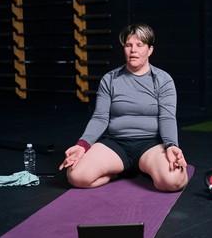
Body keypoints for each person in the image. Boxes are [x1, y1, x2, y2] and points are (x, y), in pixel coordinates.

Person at [59, 23, 188, 192]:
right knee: (76, 176)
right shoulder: (110, 79)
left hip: (150, 146)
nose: (133, 50)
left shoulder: (163, 80)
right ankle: (118, 172)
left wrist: (172, 145)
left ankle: (150, 167)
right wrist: (83, 145)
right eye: (128, 45)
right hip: (115, 144)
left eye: (139, 45)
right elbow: (100, 117)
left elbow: (167, 117)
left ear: (150, 50)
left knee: (172, 182)